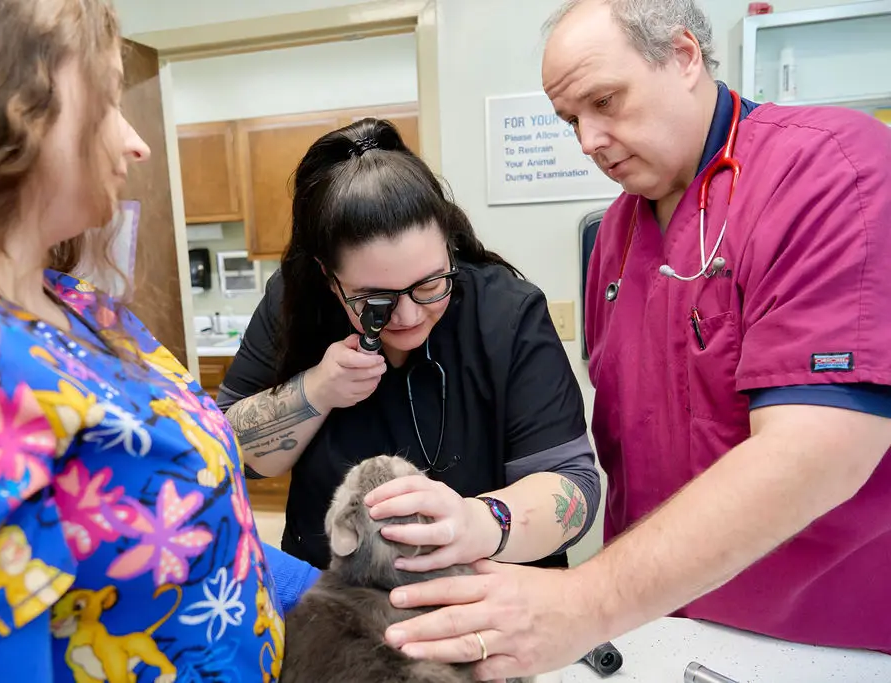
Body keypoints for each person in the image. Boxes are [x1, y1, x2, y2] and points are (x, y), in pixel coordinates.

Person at [378, 0, 891, 678]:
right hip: (656, 626)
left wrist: (584, 599)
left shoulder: (833, 171)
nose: (588, 139)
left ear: (682, 58)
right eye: (571, 121)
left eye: (604, 101)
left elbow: (819, 449)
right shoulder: (614, 237)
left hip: (816, 635)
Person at [0, 1, 319, 680]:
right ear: (14, 103)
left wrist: (348, 599)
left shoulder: (81, 309)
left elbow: (212, 526)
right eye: (108, 100)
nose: (135, 143)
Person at [217, 117, 600, 576]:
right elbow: (227, 453)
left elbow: (574, 489)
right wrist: (315, 391)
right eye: (374, 299)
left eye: (430, 283)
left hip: (481, 596)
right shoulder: (293, 301)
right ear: (328, 278)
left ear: (448, 249)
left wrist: (478, 522)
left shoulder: (506, 313)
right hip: (334, 601)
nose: (409, 316)